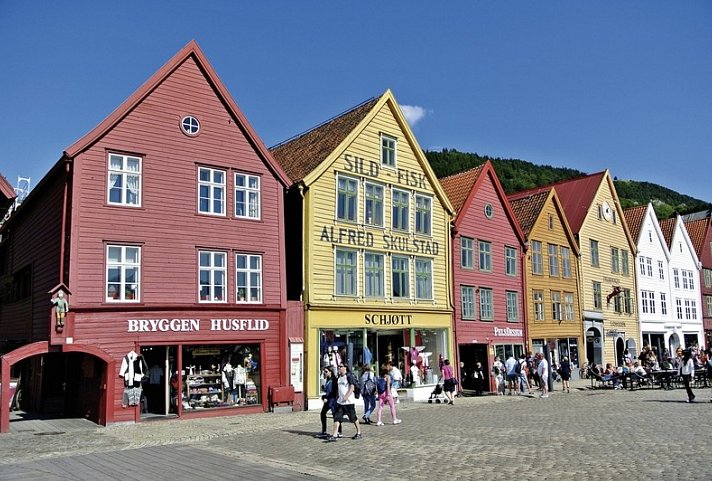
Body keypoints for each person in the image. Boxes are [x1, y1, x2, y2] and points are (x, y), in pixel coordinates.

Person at [326, 364, 362, 441]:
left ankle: (359, 433)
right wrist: (337, 399)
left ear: (345, 367)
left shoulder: (349, 376)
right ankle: (334, 435)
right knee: (337, 418)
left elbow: (352, 387)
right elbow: (339, 390)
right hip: (340, 402)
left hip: (349, 402)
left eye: (341, 366)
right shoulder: (339, 377)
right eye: (338, 367)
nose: (339, 368)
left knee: (353, 418)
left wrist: (346, 396)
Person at [317, 367, 341, 438]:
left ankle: (339, 431)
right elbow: (327, 390)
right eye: (324, 371)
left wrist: (328, 397)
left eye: (326, 371)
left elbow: (334, 391)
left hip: (332, 400)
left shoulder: (334, 380)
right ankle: (324, 430)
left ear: (331, 372)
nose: (325, 373)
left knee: (335, 415)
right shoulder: (328, 380)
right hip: (327, 399)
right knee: (323, 413)